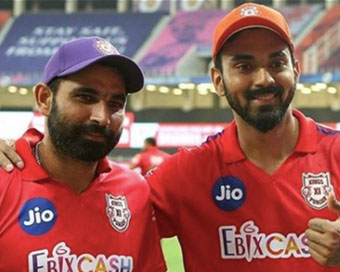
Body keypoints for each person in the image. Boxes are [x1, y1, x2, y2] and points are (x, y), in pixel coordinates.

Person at [1, 4, 340, 272]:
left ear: (296, 68)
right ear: (218, 80)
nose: (264, 78)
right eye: (244, 65)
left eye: (277, 62)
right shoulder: (182, 175)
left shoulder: (336, 153)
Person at [0, 36, 166, 271]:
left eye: (115, 103)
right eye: (85, 98)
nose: (102, 116)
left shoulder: (135, 191)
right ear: (44, 99)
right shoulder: (5, 179)